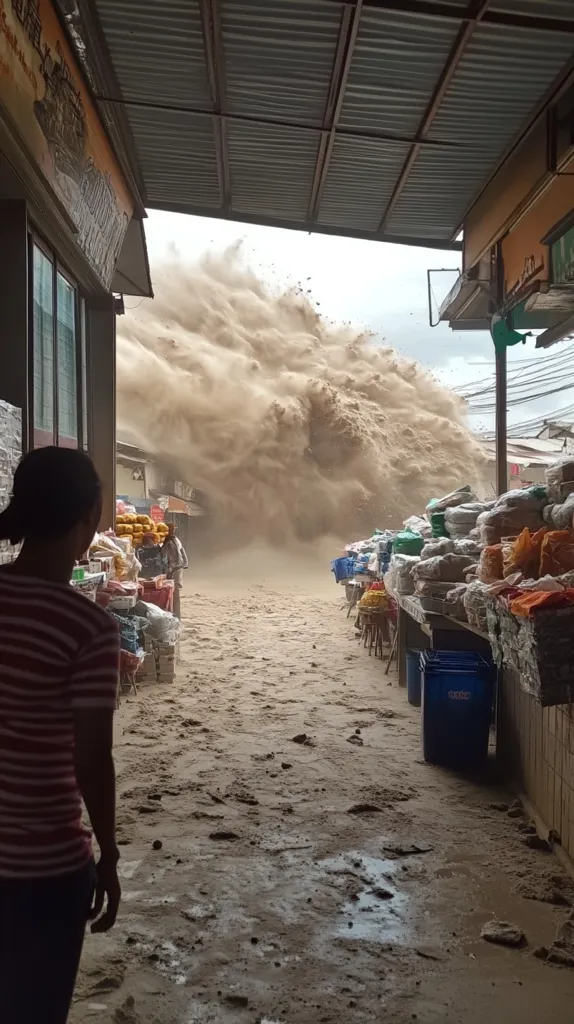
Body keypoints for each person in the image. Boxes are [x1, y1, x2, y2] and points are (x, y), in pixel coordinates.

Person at [0, 447, 121, 1024]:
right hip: (41, 873)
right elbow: (92, 759)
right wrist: (111, 855)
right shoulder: (90, 627)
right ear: (90, 518)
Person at [161, 521, 188, 619]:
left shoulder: (174, 540)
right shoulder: (165, 541)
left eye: (173, 529)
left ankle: (176, 615)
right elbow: (163, 557)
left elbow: (182, 550)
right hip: (171, 570)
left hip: (176, 569)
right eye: (170, 530)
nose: (172, 531)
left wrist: (185, 562)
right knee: (171, 593)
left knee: (175, 592)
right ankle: (173, 614)